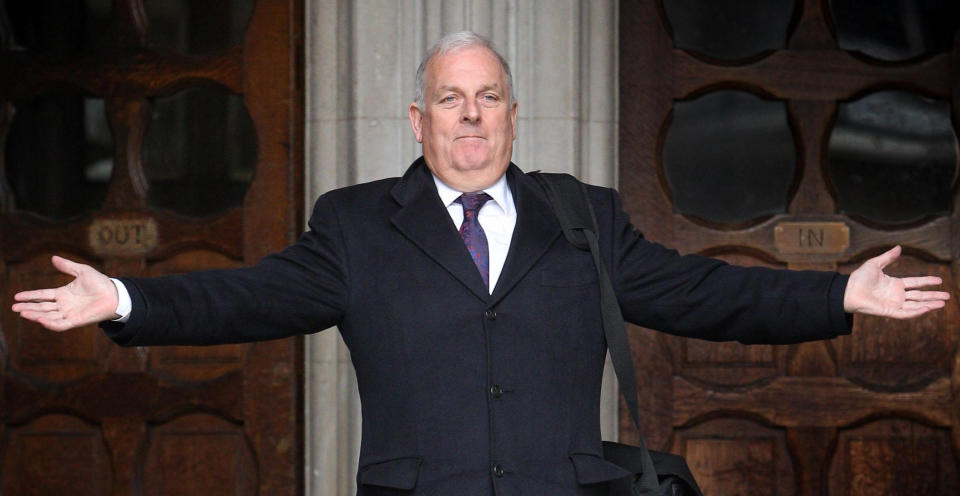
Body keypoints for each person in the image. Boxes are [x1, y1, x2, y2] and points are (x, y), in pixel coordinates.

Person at [11, 31, 949, 496]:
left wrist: (839, 294)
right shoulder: (354, 226)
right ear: (417, 123)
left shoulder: (581, 213)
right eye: (449, 99)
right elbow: (251, 296)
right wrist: (126, 297)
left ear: (511, 114)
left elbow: (702, 292)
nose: (469, 115)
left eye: (487, 96)